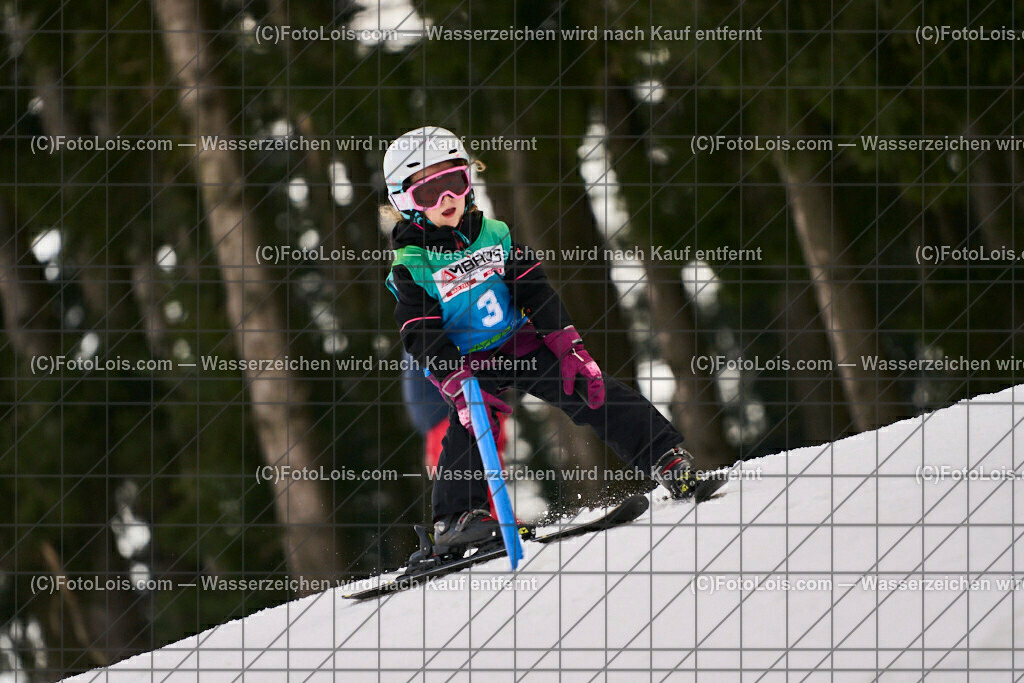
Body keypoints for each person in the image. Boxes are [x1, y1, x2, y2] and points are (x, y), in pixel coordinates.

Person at [382, 126, 703, 551]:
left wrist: (566, 343)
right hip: (469, 363)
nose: (448, 201)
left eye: (455, 184)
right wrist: (455, 381)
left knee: (590, 388)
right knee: (471, 426)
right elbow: (419, 331)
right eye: (430, 193)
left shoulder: (495, 234)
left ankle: (665, 458)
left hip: (521, 343)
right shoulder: (413, 264)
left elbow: (534, 290)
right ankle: (457, 519)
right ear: (405, 202)